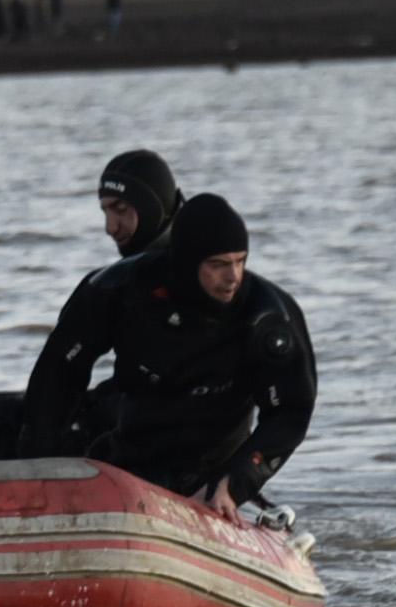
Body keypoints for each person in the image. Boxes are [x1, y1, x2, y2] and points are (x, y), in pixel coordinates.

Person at [20, 193, 315, 514]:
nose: (233, 277)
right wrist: (42, 466)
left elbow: (290, 411)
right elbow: (57, 375)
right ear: (187, 263)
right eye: (217, 265)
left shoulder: (269, 317)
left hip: (214, 469)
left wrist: (236, 481)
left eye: (240, 261)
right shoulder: (118, 290)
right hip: (131, 454)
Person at [0, 149, 181, 461]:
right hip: (132, 407)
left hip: (177, 423)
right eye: (105, 212)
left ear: (152, 207)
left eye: (120, 210)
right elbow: (59, 369)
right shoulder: (113, 285)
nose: (110, 227)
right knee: (4, 422)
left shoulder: (207, 271)